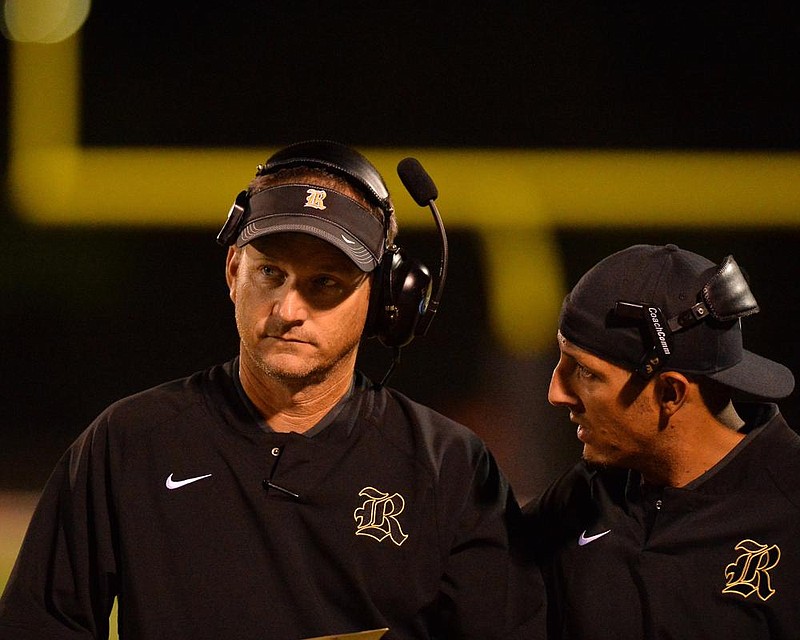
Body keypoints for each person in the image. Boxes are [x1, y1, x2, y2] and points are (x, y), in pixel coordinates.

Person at [0, 141, 544, 640]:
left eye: (324, 283)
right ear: (234, 270)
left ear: (384, 299)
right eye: (271, 274)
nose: (288, 310)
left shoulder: (447, 467)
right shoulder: (129, 443)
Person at [524, 243, 799, 639]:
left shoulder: (790, 516)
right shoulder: (582, 496)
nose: (556, 392)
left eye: (585, 372)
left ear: (670, 394)